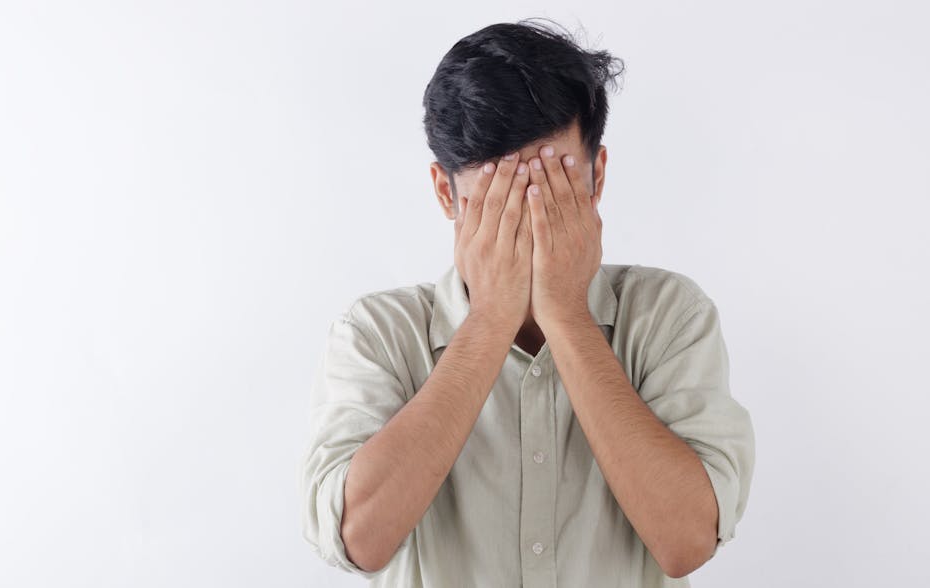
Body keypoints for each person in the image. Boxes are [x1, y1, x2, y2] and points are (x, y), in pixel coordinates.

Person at [300, 17, 755, 587]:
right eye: (500, 198)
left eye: (551, 190)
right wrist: (491, 317)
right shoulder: (375, 333)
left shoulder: (669, 316)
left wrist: (567, 315)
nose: (527, 220)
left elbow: (688, 540)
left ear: (597, 178)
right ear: (448, 194)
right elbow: (357, 540)